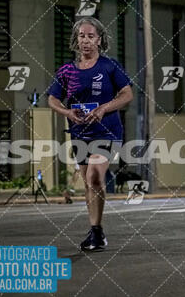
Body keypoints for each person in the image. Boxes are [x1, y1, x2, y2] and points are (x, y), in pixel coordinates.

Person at [47, 17, 133, 251]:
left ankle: (96, 232)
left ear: (100, 40)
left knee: (95, 176)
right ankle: (96, 230)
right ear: (76, 40)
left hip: (107, 130)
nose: (86, 40)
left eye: (91, 36)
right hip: (79, 132)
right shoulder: (67, 70)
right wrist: (67, 111)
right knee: (88, 183)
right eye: (81, 36)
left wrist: (104, 107)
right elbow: (52, 98)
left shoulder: (109, 66)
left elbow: (127, 94)